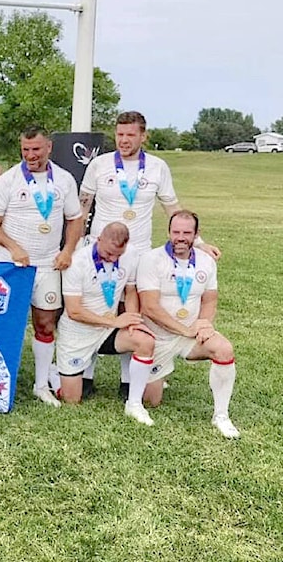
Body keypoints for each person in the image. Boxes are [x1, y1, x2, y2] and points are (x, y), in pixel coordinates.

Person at [79, 110, 222, 397]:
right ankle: (85, 374)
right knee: (96, 306)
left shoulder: (158, 167)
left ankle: (128, 379)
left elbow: (172, 208)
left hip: (138, 252)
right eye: (120, 134)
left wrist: (199, 242)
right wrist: (77, 244)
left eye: (130, 135)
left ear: (143, 136)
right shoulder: (99, 164)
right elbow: (84, 205)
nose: (124, 140)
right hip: (100, 249)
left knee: (132, 312)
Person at [0, 125, 84, 407]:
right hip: (12, 268)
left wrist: (68, 250)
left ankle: (41, 385)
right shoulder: (9, 180)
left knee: (45, 323)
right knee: (3, 323)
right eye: (25, 150)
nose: (30, 155)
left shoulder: (64, 179)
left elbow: (75, 218)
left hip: (48, 265)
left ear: (49, 147)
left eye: (36, 149)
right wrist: (13, 247)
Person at [136, 211, 239, 439]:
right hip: (157, 339)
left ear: (196, 235)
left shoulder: (206, 261)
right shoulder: (151, 259)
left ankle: (221, 416)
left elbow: (210, 298)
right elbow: (149, 307)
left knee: (224, 349)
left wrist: (204, 323)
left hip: (190, 336)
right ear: (168, 232)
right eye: (176, 232)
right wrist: (185, 329)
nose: (180, 237)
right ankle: (157, 377)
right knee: (151, 401)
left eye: (186, 233)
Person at [55, 222, 156, 425]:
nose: (113, 259)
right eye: (109, 253)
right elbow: (74, 311)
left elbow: (130, 291)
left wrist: (133, 318)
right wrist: (114, 321)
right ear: (98, 238)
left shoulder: (132, 254)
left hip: (108, 330)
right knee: (72, 400)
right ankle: (54, 374)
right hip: (78, 332)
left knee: (145, 341)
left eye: (118, 255)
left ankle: (134, 403)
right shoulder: (77, 261)